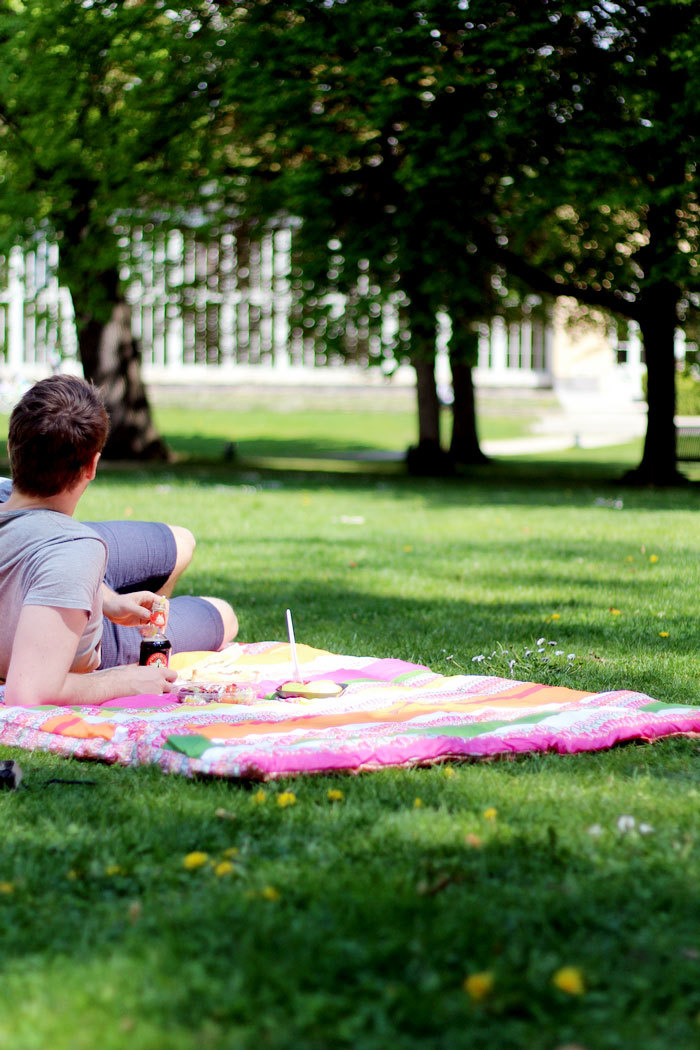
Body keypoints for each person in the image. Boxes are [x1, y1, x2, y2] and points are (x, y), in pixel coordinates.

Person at [0, 374, 238, 706]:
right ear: (92, 466)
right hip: (76, 643)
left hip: (64, 572)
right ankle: (145, 640)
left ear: (14, 447)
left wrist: (108, 600)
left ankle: (150, 629)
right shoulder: (73, 551)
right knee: (224, 615)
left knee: (182, 541)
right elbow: (29, 692)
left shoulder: (7, 496)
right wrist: (122, 679)